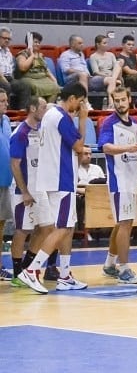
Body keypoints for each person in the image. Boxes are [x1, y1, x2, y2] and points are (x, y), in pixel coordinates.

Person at [18, 82, 89, 293]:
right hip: (61, 178)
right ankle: (31, 270)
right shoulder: (61, 117)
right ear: (73, 99)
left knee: (68, 225)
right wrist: (83, 121)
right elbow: (78, 147)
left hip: (51, 178)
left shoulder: (49, 114)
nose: (81, 106)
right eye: (81, 102)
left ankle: (65, 275)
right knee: (63, 228)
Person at [99, 88, 137, 284]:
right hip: (119, 181)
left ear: (129, 99)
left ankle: (110, 264)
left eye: (122, 99)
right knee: (125, 223)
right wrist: (127, 148)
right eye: (116, 100)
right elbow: (105, 147)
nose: (120, 103)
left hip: (133, 178)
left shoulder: (135, 124)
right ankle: (124, 269)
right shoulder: (109, 123)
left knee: (122, 223)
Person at [7, 96, 47, 284]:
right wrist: (24, 191)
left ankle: (27, 268)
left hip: (41, 189)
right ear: (32, 108)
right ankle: (17, 273)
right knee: (23, 230)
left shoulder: (42, 130)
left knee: (46, 227)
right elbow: (15, 165)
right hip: (24, 190)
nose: (45, 111)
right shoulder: (20, 133)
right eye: (43, 107)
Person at [15, 32, 59, 102]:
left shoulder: (41, 55)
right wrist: (31, 55)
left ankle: (47, 108)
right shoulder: (22, 54)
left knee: (55, 87)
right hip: (29, 78)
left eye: (39, 42)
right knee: (37, 88)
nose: (38, 44)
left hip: (43, 78)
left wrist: (54, 80)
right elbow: (23, 68)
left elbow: (46, 70)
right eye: (35, 42)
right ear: (29, 43)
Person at [88, 34, 124, 103]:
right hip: (100, 77)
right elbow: (95, 72)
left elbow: (117, 68)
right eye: (104, 43)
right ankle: (111, 101)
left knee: (119, 62)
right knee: (113, 80)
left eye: (107, 43)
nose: (107, 45)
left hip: (113, 76)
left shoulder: (111, 55)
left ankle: (112, 100)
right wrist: (109, 77)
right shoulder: (93, 56)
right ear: (98, 44)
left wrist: (114, 76)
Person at [0, 90, 11, 277]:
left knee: (1, 225)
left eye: (6, 101)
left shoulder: (7, 121)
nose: (6, 103)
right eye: (2, 101)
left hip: (5, 181)